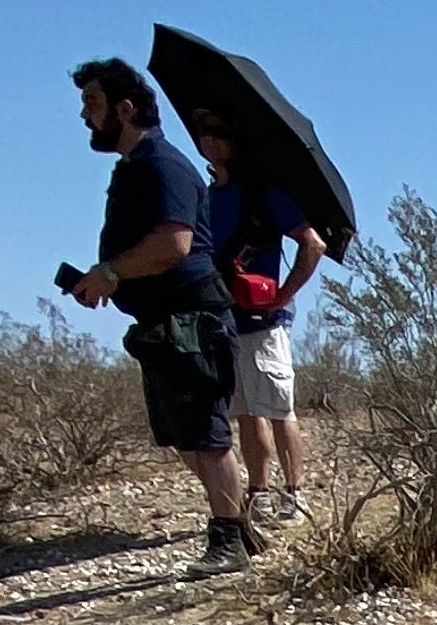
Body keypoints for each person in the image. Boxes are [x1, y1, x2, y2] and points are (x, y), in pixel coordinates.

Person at [62, 59, 256, 578]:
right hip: (162, 320)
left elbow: (175, 243)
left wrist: (111, 271)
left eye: (93, 104)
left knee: (207, 434)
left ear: (125, 109)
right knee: (184, 434)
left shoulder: (162, 164)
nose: (85, 115)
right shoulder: (134, 167)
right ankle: (235, 524)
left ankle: (229, 540)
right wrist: (109, 278)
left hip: (191, 318)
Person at [196, 119, 324, 525]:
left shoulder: (263, 192)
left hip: (265, 320)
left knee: (279, 409)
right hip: (224, 318)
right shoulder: (203, 198)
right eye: (203, 132)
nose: (208, 140)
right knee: (247, 412)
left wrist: (284, 295)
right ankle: (259, 493)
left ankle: (295, 495)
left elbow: (312, 243)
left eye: (217, 131)